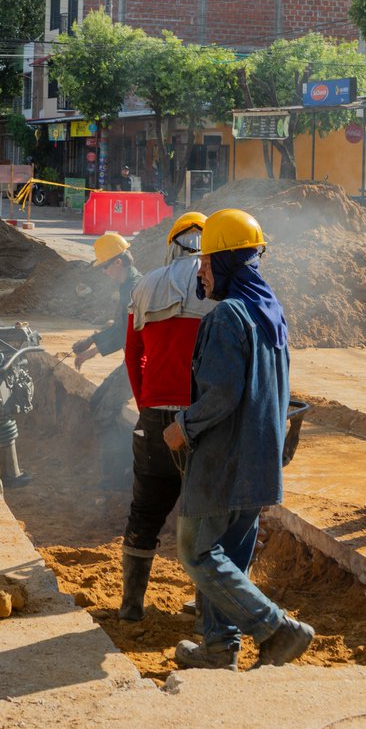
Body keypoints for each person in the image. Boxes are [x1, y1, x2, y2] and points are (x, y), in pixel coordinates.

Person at [163, 208, 315, 671]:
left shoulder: (228, 316)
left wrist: (182, 426)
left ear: (226, 263)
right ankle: (218, 647)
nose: (201, 271)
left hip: (223, 459)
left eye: (207, 262)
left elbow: (222, 393)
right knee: (229, 555)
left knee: (196, 552)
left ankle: (277, 628)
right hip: (260, 457)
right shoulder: (269, 312)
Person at [119, 211, 215, 622]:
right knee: (207, 516)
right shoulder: (217, 286)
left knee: (144, 511)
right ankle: (205, 606)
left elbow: (131, 353)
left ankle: (130, 606)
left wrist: (146, 405)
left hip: (155, 417)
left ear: (172, 242)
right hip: (202, 419)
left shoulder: (145, 285)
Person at [72, 231, 141, 489]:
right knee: (97, 401)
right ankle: (119, 468)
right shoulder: (126, 287)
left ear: (118, 262)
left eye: (104, 267)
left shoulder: (135, 288)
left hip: (142, 363)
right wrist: (92, 343)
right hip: (131, 360)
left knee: (105, 413)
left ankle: (117, 477)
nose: (103, 272)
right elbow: (122, 327)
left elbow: (127, 332)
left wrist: (91, 347)